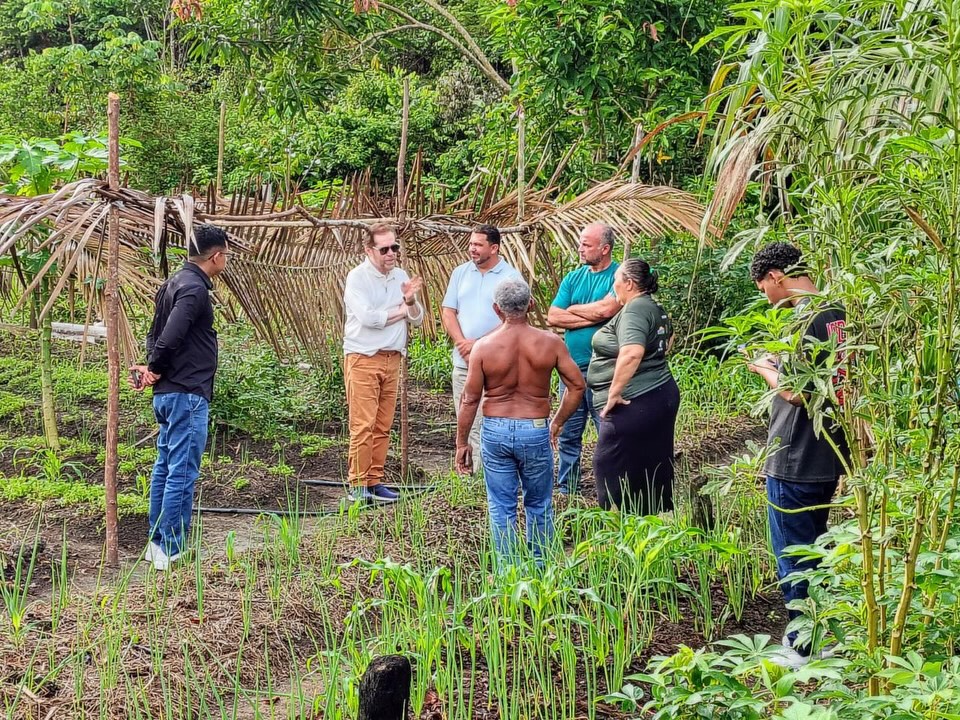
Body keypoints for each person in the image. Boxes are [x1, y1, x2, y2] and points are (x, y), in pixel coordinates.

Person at [746, 241, 848, 668]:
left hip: (796, 453)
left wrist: (763, 367)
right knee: (817, 546)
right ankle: (825, 633)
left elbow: (797, 392)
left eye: (763, 288)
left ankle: (802, 644)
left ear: (776, 277)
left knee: (793, 552)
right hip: (829, 451)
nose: (765, 297)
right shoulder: (837, 312)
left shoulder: (807, 318)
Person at [456, 278, 585, 567]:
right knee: (539, 504)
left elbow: (469, 399)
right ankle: (541, 569)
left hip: (496, 429)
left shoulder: (483, 347)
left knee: (501, 507)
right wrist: (558, 422)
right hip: (535, 427)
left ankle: (508, 573)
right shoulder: (551, 343)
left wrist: (461, 442)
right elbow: (577, 386)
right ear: (531, 304)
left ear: (496, 309)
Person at [129, 223, 230, 571]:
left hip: (169, 393)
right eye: (225, 255)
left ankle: (157, 544)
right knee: (182, 471)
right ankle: (171, 548)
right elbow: (169, 335)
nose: (225, 261)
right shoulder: (194, 290)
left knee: (165, 467)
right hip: (187, 392)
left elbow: (153, 332)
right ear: (216, 256)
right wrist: (155, 365)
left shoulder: (173, 282)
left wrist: (152, 368)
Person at [587, 258, 679, 515]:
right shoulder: (653, 306)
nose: (613, 285)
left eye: (616, 280)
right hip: (657, 394)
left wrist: (614, 393)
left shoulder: (635, 309)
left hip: (635, 400)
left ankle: (618, 531)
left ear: (628, 283)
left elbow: (632, 352)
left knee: (610, 466)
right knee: (649, 465)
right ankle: (651, 523)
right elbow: (666, 342)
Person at [343, 224, 424, 504]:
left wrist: (410, 301)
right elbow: (369, 318)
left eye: (395, 248)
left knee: (383, 424)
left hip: (392, 357)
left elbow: (417, 317)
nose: (392, 253)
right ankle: (358, 484)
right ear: (369, 250)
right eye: (385, 249)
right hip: (364, 356)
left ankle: (374, 480)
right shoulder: (357, 278)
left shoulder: (400, 276)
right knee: (362, 424)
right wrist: (401, 310)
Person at [441, 224, 522, 473]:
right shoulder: (460, 273)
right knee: (467, 417)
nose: (472, 249)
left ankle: (494, 473)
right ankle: (471, 475)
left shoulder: (511, 277)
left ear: (494, 248)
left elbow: (513, 319)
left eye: (478, 245)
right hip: (463, 361)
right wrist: (462, 343)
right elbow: (448, 310)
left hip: (497, 364)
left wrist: (478, 344)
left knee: (494, 419)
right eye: (471, 244)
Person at [547, 223, 620, 494]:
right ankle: (568, 489)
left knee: (608, 431)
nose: (580, 248)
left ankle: (611, 489)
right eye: (580, 243)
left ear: (605, 248)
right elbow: (553, 316)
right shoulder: (573, 277)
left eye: (586, 244)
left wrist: (573, 312)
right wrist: (590, 313)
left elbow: (608, 310)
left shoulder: (619, 275)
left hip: (605, 368)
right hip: (571, 368)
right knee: (569, 432)